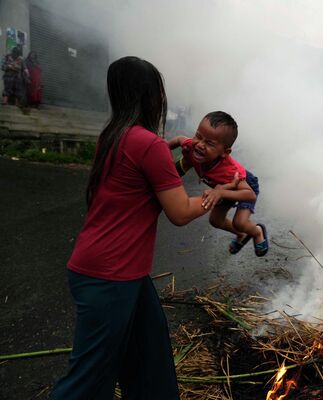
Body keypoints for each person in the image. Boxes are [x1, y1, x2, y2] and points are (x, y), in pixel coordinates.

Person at [49, 56, 217, 400]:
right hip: (110, 276)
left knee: (149, 362)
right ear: (151, 96)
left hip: (120, 273)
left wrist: (182, 158)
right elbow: (180, 211)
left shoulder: (113, 136)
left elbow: (154, 185)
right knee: (88, 382)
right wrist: (217, 195)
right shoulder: (148, 145)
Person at [169, 111, 269, 257]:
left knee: (239, 222)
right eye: (198, 136)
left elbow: (250, 195)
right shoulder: (192, 146)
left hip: (244, 187)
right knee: (215, 221)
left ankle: (257, 232)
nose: (200, 145)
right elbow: (179, 139)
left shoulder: (228, 170)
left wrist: (221, 192)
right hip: (222, 188)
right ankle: (241, 235)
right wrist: (162, 148)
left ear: (225, 152)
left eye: (209, 143)